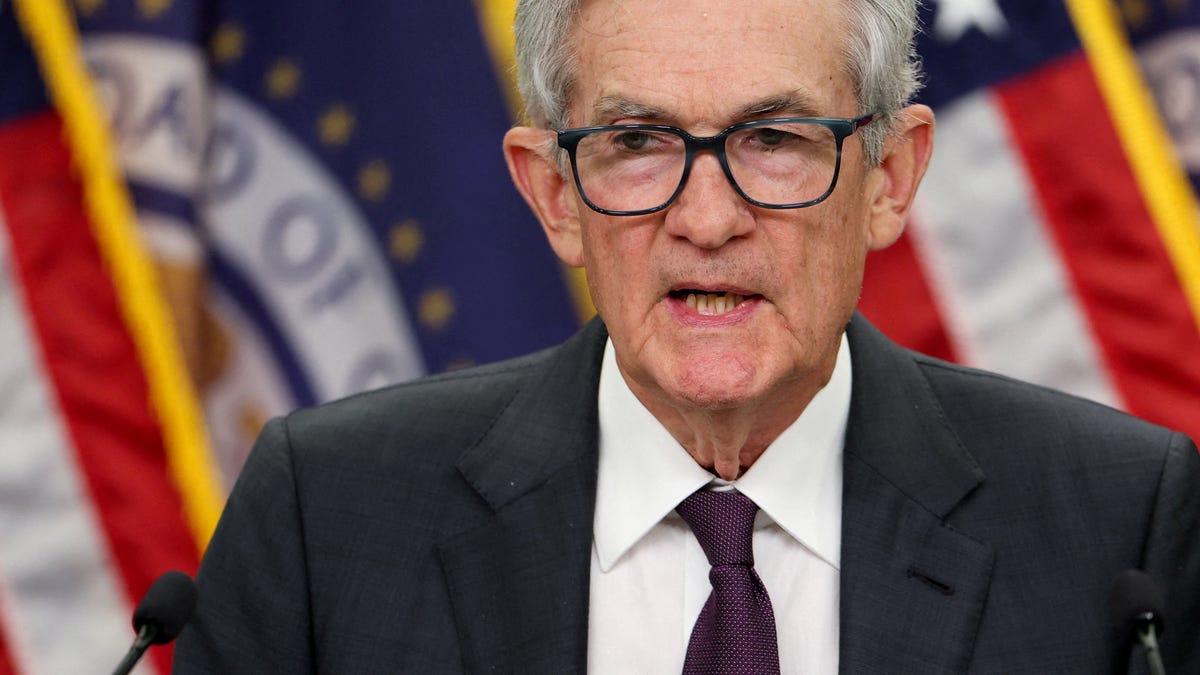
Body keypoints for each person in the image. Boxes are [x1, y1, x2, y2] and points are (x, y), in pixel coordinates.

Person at [172, 0, 1200, 672]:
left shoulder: (1113, 528)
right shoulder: (330, 514)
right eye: (636, 144)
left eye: (775, 140)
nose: (708, 219)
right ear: (553, 194)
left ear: (890, 179)